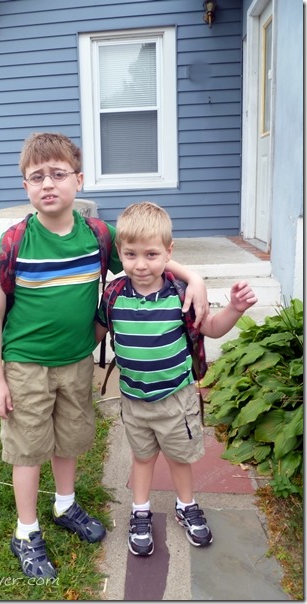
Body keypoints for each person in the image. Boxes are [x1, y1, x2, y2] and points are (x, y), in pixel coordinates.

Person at [0, 133, 210, 579]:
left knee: (69, 437)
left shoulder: (97, 236)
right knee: (28, 448)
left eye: (58, 174)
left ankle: (65, 505)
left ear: (78, 181)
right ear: (26, 186)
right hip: (26, 363)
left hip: (78, 361)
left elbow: (146, 256)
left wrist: (193, 276)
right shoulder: (14, 243)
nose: (48, 183)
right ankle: (26, 531)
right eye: (36, 176)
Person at [95, 201, 258, 556]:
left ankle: (187, 505)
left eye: (151, 254)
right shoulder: (113, 296)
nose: (140, 264)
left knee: (179, 458)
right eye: (131, 254)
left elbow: (211, 329)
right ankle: (140, 511)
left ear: (169, 252)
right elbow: (94, 334)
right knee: (141, 457)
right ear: (119, 253)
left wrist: (234, 309)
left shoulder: (180, 294)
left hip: (176, 397)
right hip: (134, 399)